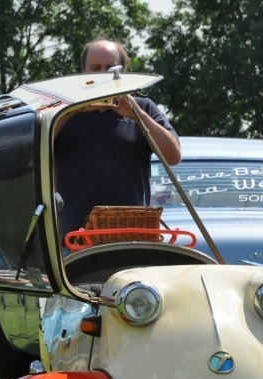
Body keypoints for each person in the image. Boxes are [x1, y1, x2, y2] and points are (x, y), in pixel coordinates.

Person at [54, 38, 182, 238]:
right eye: (95, 68)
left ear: (123, 73)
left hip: (134, 237)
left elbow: (173, 156)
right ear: (83, 72)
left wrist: (136, 114)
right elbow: (32, 151)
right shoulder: (61, 111)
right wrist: (72, 110)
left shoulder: (143, 107)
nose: (102, 75)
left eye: (110, 68)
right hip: (75, 240)